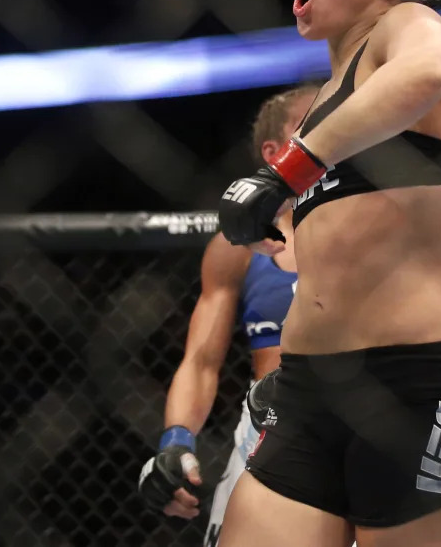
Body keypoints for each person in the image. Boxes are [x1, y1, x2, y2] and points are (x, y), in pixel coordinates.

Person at [213, 0, 441, 547]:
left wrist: (289, 171)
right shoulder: (337, 92)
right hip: (305, 391)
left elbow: (427, 75)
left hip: (407, 385)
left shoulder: (408, 27)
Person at [138, 85, 317, 546]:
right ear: (275, 153)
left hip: (366, 420)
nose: (332, 131)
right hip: (269, 431)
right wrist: (176, 442)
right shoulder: (237, 248)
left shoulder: (385, 226)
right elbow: (201, 361)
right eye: (311, 122)